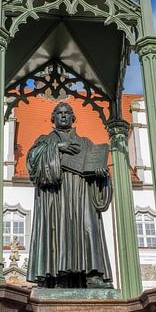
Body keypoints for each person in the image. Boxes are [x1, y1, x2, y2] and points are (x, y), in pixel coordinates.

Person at [26, 102, 113, 288]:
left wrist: (100, 175)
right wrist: (56, 148)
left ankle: (93, 276)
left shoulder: (87, 143)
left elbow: (98, 169)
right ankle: (58, 277)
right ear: (53, 118)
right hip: (55, 195)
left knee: (89, 229)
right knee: (57, 230)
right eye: (59, 113)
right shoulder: (44, 140)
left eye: (67, 113)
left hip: (82, 195)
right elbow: (32, 163)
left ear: (73, 118)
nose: (63, 116)